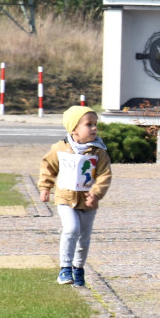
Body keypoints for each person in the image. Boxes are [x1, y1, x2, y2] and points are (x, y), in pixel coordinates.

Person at [38, 105, 113, 288]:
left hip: (88, 202)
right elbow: (48, 167)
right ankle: (64, 268)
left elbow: (104, 175)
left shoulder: (98, 152)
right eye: (89, 124)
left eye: (95, 124)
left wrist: (96, 193)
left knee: (84, 238)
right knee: (71, 229)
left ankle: (78, 268)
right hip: (65, 198)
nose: (94, 128)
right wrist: (45, 187)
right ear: (74, 130)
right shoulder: (59, 149)